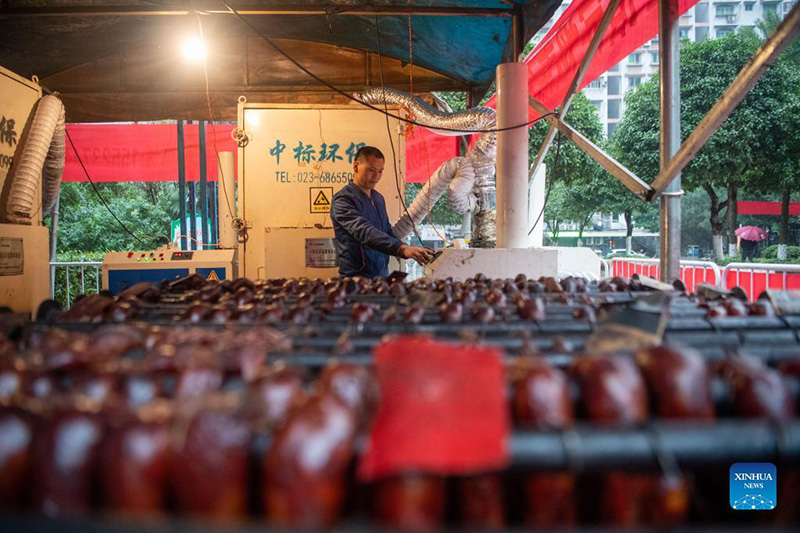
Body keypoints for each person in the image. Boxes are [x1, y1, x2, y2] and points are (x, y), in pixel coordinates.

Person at [331, 146, 434, 278]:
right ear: (356, 167)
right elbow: (364, 232)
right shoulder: (343, 200)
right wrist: (401, 249)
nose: (376, 177)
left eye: (380, 171)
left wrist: (407, 248)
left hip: (382, 275)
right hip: (356, 277)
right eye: (371, 170)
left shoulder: (378, 198)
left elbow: (387, 231)